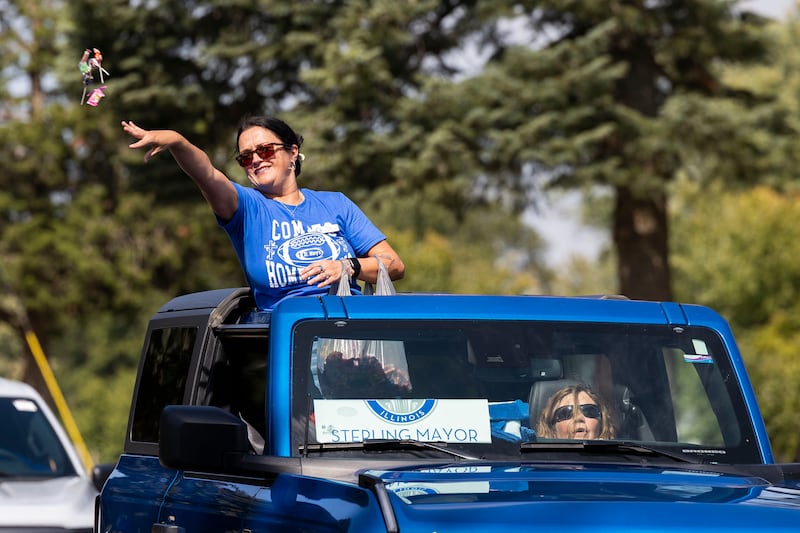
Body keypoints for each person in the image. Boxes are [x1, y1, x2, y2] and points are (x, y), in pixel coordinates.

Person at [121, 116, 405, 310]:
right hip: (287, 344)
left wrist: (347, 266)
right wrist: (176, 142)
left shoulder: (335, 204)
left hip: (351, 338)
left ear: (293, 152)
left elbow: (393, 265)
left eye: (265, 150)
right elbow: (206, 174)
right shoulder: (246, 208)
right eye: (246, 157)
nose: (255, 160)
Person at [535, 384, 615, 440]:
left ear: (602, 424)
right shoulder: (536, 464)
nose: (578, 418)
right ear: (552, 430)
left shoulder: (619, 461)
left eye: (589, 411)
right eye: (566, 413)